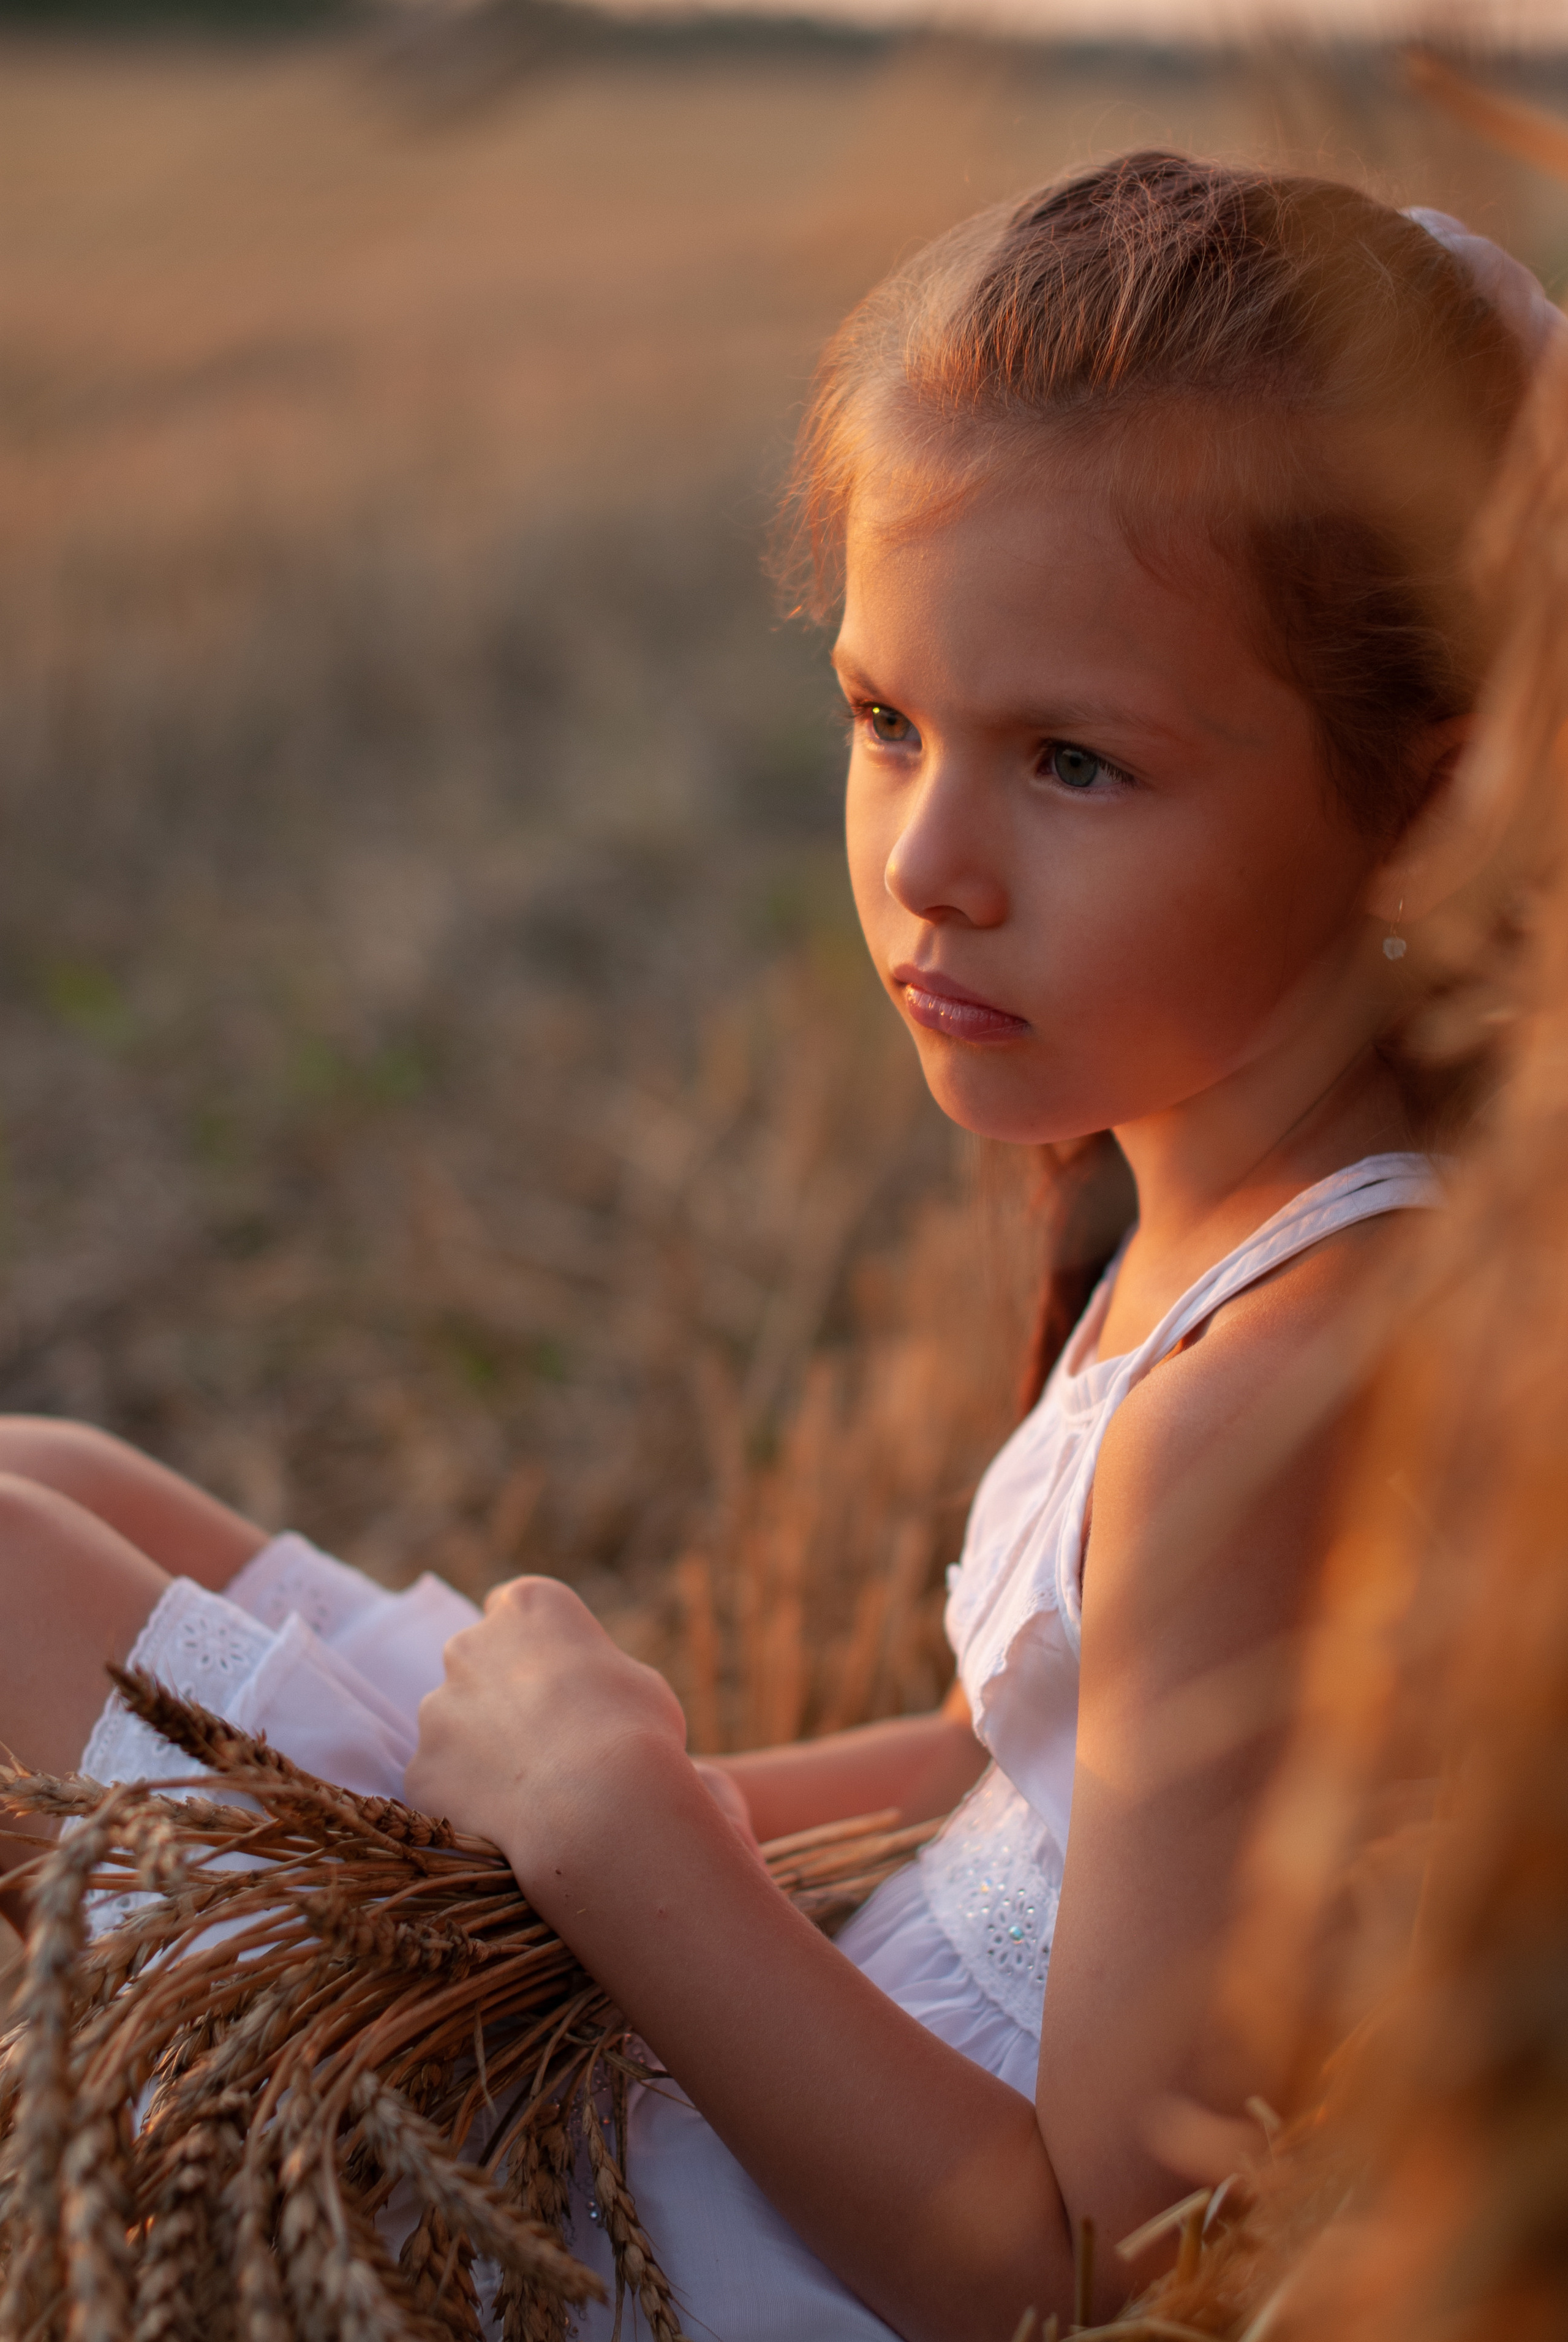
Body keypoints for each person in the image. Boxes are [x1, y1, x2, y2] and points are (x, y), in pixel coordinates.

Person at [0, 154, 1553, 2342]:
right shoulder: (1246, 1222)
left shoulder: (1275, 1395)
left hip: (732, 2253)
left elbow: (1083, 2270)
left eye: (1076, 763)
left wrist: (620, 1834)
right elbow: (995, 1768)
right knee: (51, 1475)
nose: (929, 859)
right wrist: (568, 1853)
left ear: (1428, 806)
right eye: (884, 719)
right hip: (785, 2034)